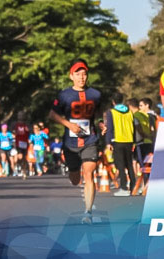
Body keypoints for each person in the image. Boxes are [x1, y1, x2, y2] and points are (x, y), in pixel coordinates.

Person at [49, 59, 103, 225]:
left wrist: (102, 124)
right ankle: (72, 169)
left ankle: (87, 212)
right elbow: (52, 115)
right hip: (71, 144)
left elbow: (99, 115)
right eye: (78, 74)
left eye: (84, 73)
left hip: (90, 140)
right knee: (75, 178)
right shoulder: (64, 95)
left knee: (89, 173)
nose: (81, 77)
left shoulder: (95, 94)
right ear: (71, 76)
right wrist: (69, 124)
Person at [103, 92, 136, 197]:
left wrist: (108, 142)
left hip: (118, 140)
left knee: (120, 165)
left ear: (113, 102)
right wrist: (134, 141)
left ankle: (123, 188)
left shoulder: (111, 112)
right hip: (129, 140)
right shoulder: (129, 112)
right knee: (129, 164)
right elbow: (133, 127)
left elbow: (110, 128)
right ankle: (133, 186)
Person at [13, 113, 30, 178]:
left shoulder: (26, 124)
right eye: (19, 115)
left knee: (24, 157)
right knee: (20, 157)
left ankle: (24, 170)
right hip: (18, 143)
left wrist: (28, 130)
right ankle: (21, 167)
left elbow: (29, 132)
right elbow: (13, 132)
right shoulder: (15, 124)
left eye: (21, 115)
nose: (20, 117)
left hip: (25, 142)